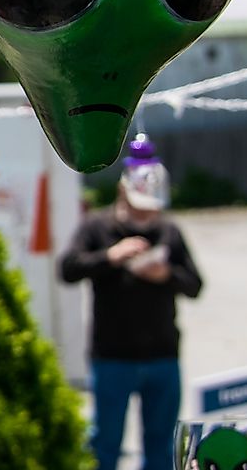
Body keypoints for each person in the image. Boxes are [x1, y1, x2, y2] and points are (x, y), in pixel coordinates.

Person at [59, 161, 203, 470]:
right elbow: (68, 269)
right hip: (112, 355)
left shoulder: (168, 231)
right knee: (105, 443)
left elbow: (195, 284)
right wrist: (110, 256)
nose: (147, 217)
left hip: (162, 354)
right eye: (141, 209)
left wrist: (165, 275)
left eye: (151, 209)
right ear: (123, 191)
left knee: (161, 445)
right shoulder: (97, 227)